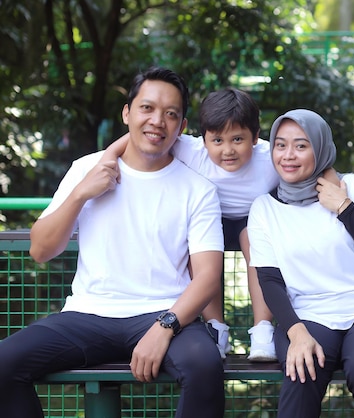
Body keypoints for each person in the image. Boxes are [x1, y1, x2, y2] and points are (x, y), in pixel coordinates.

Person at [0, 67, 226, 418]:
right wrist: (81, 194)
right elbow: (40, 250)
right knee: (4, 363)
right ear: (127, 113)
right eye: (147, 108)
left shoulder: (197, 189)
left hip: (163, 311)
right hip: (88, 314)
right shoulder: (86, 169)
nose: (157, 121)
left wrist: (164, 327)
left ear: (182, 127)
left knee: (205, 366)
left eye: (171, 114)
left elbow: (209, 276)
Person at [247, 109, 354, 417]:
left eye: (301, 145)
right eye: (280, 145)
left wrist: (344, 207)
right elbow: (269, 281)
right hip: (308, 316)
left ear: (320, 148)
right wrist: (295, 331)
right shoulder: (264, 209)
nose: (288, 155)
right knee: (301, 370)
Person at [101, 87, 280, 361]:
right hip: (207, 218)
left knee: (256, 244)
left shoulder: (270, 158)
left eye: (238, 139)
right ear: (203, 139)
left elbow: (311, 162)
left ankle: (263, 329)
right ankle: (215, 328)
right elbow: (134, 139)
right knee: (198, 251)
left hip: (251, 220)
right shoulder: (190, 149)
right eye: (217, 140)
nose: (228, 150)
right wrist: (107, 157)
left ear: (255, 137)